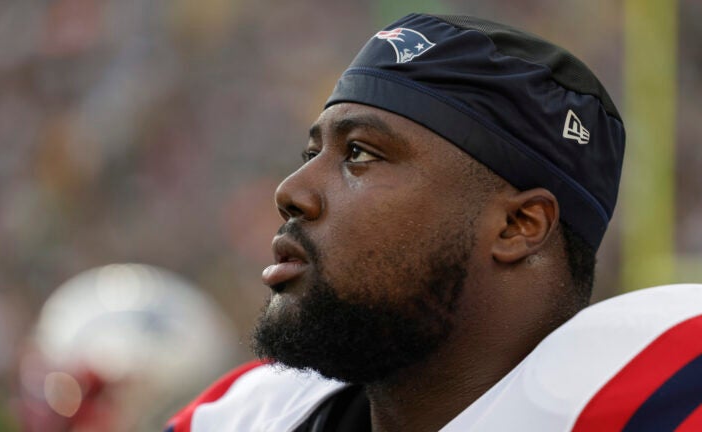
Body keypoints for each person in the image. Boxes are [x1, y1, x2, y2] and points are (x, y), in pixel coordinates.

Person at [166, 13, 702, 432]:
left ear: (519, 224)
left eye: (359, 153)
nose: (291, 192)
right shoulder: (250, 414)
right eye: (312, 152)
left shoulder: (652, 400)